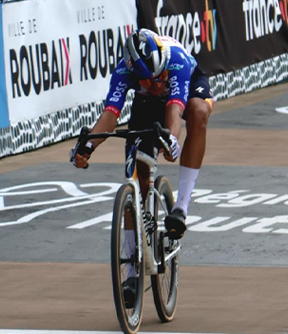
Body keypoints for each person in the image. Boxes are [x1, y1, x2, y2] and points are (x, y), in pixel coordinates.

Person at [72, 29, 213, 303]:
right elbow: (111, 115)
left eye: (158, 78)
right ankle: (131, 274)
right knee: (136, 179)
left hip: (187, 89)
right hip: (146, 104)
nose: (156, 84)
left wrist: (172, 140)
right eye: (148, 80)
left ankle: (181, 208)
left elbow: (175, 109)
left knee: (198, 112)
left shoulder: (176, 62)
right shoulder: (124, 72)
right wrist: (87, 148)